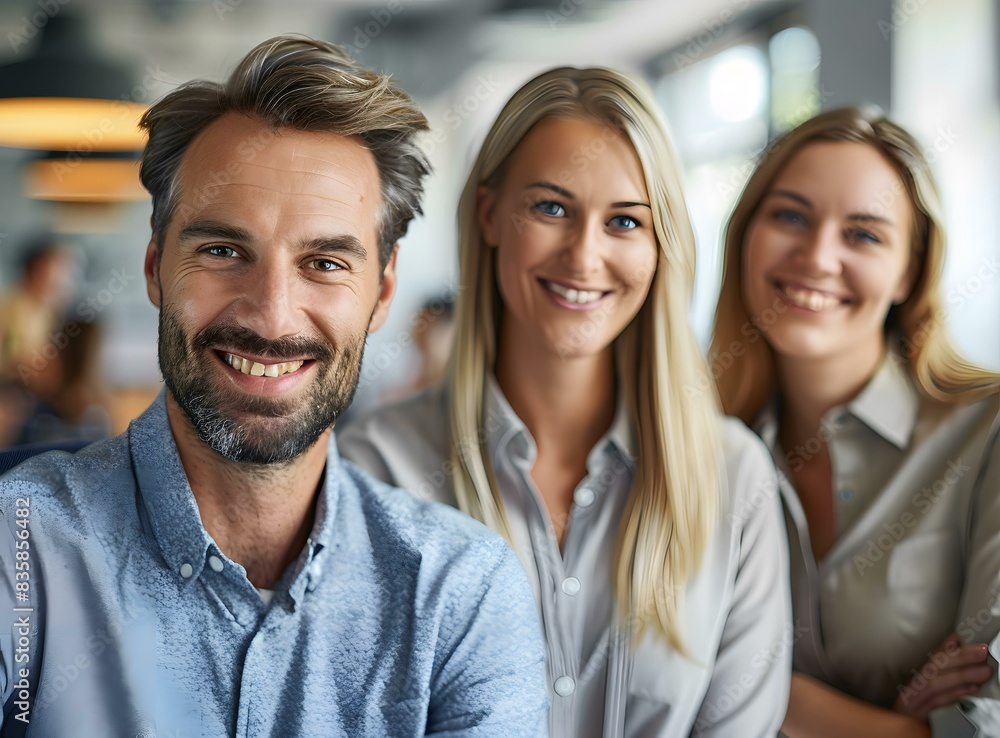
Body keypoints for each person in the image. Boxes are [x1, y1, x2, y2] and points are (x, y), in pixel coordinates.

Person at [0, 36, 548, 737]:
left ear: (381, 292)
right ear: (155, 265)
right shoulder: (20, 545)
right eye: (224, 251)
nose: (271, 315)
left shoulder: (460, 593)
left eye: (323, 262)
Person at [340, 66, 792, 737]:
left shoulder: (733, 476)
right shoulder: (375, 470)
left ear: (659, 243)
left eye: (625, 222)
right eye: (552, 208)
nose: (585, 256)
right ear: (490, 213)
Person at [710, 107, 1000, 737]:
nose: (816, 257)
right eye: (789, 215)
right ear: (745, 236)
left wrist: (740, 682)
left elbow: (984, 723)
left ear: (909, 272)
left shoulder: (988, 431)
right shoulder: (691, 444)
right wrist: (897, 728)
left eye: (864, 234)